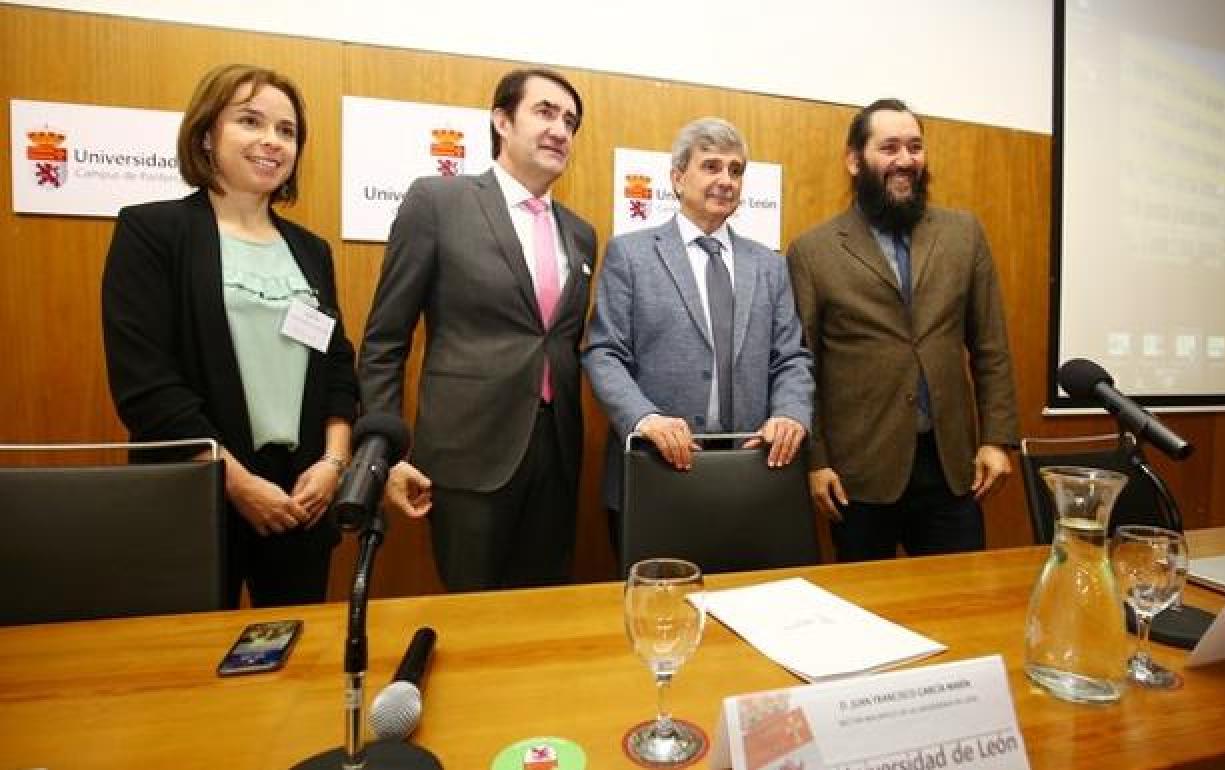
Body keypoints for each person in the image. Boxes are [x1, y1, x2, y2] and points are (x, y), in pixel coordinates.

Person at [102, 64, 359, 607]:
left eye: (287, 131)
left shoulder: (310, 250)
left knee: (296, 666)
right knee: (189, 674)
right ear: (205, 135)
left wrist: (333, 464)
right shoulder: (152, 233)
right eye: (250, 121)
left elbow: (336, 364)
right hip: (198, 492)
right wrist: (235, 481)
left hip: (300, 494)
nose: (272, 141)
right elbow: (145, 386)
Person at [358, 68, 597, 591]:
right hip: (468, 459)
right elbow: (384, 342)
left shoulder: (580, 233)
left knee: (541, 615)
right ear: (502, 121)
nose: (561, 129)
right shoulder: (438, 203)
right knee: (470, 617)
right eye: (545, 112)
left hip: (555, 459)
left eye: (571, 121)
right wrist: (385, 453)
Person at [786, 98, 1019, 561]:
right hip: (858, 476)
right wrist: (816, 461)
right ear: (855, 160)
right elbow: (801, 364)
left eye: (915, 147)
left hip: (953, 469)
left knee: (959, 607)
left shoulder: (963, 234)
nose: (905, 160)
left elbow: (991, 346)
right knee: (864, 616)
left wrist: (996, 439)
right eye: (888, 147)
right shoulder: (812, 252)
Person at [583, 117, 814, 548]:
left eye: (735, 170)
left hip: (751, 475)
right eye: (711, 166)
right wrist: (644, 418)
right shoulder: (630, 255)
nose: (725, 180)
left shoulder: (769, 265)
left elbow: (792, 357)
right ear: (677, 177)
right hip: (656, 472)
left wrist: (790, 412)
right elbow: (603, 352)